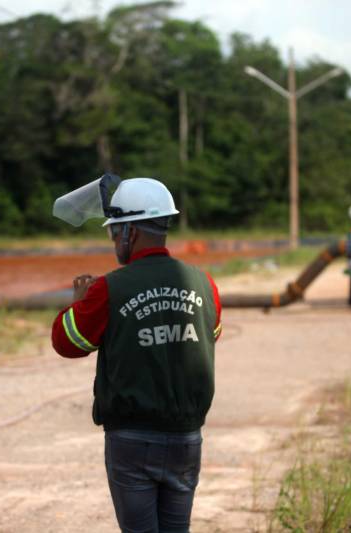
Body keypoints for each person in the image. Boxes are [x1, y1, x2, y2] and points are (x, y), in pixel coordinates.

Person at [51, 178, 222, 532]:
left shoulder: (108, 288)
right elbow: (211, 333)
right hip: (187, 437)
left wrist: (79, 303)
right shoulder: (204, 283)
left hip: (133, 441)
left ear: (129, 232)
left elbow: (66, 343)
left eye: (115, 233)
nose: (114, 241)